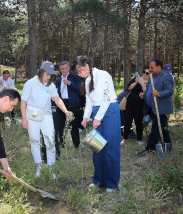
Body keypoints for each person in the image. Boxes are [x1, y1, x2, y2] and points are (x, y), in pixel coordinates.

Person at [73, 56, 121, 193]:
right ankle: (98, 180)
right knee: (96, 147)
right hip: (97, 112)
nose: (79, 74)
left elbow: (107, 98)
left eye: (80, 70)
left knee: (110, 149)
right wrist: (85, 117)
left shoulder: (103, 75)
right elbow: (89, 102)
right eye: (77, 72)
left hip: (109, 112)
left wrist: (98, 118)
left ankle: (112, 184)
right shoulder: (87, 80)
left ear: (87, 65)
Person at [20, 61, 72, 179]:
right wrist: (24, 119)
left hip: (47, 116)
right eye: (47, 74)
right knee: (35, 141)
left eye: (51, 75)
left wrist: (66, 111)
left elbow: (57, 99)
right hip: (32, 117)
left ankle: (50, 168)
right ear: (41, 72)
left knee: (50, 142)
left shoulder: (51, 85)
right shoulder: (30, 83)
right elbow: (23, 102)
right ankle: (39, 167)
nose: (49, 77)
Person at [138, 59, 174, 156]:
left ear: (159, 67)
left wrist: (159, 94)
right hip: (152, 108)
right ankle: (168, 146)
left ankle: (150, 148)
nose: (150, 69)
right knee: (163, 128)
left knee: (156, 129)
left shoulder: (166, 77)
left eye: (152, 67)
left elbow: (170, 91)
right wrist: (144, 94)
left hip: (161, 108)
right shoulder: (152, 77)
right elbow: (149, 90)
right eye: (149, 67)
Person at [55, 61, 82, 149]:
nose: (64, 70)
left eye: (65, 68)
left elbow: (79, 89)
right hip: (62, 104)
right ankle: (62, 143)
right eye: (62, 69)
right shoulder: (58, 80)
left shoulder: (75, 77)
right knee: (61, 125)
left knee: (74, 125)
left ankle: (77, 145)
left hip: (73, 104)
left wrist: (69, 83)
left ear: (69, 68)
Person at [121, 68, 150, 145]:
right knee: (127, 121)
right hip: (130, 103)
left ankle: (139, 139)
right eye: (144, 72)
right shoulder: (137, 78)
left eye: (147, 73)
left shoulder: (150, 82)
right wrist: (136, 82)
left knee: (138, 122)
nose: (145, 74)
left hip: (140, 104)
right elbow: (129, 88)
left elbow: (146, 91)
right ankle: (125, 138)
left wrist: (141, 83)